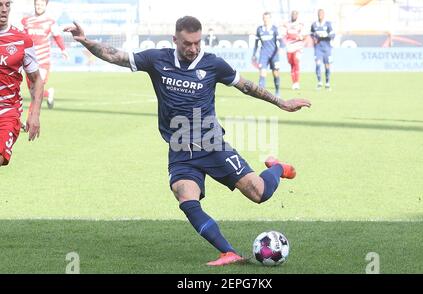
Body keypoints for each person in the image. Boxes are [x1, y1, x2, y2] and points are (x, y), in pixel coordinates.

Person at [64, 16, 311, 266]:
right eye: (187, 43)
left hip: (212, 145)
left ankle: (277, 167)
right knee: (185, 197)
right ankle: (229, 252)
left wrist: (281, 102)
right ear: (175, 40)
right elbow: (116, 55)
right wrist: (86, 42)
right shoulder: (156, 59)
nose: (193, 48)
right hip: (180, 149)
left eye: (197, 43)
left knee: (260, 194)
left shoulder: (213, 64)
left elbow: (246, 85)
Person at [0, 0, 44, 167]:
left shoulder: (22, 41)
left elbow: (36, 80)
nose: (4, 10)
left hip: (7, 111)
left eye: (7, 5)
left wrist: (34, 114)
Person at [21, 0, 68, 109]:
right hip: (28, 60)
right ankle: (49, 93)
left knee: (37, 90)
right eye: (37, 4)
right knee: (33, 92)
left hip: (42, 61)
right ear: (34, 5)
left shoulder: (50, 22)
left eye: (41, 4)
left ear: (46, 6)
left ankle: (30, 122)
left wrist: (63, 50)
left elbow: (57, 36)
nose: (39, 7)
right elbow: (21, 38)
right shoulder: (26, 21)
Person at [252, 12, 283, 98]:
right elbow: (256, 44)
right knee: (262, 72)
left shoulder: (274, 29)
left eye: (267, 18)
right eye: (264, 18)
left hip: (274, 54)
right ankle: (261, 93)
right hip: (264, 54)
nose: (265, 20)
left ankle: (277, 91)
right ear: (263, 19)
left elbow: (281, 41)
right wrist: (254, 54)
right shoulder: (259, 29)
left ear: (270, 19)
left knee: (275, 73)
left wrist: (282, 48)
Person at [310, 9, 335, 90]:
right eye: (319, 14)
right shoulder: (314, 24)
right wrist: (315, 37)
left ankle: (327, 83)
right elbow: (311, 34)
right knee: (317, 64)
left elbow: (333, 35)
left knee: (327, 66)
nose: (320, 15)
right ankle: (319, 82)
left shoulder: (328, 24)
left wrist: (325, 35)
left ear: (324, 15)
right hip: (318, 48)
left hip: (327, 48)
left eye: (321, 14)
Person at [283, 10, 304, 90]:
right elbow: (284, 35)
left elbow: (303, 36)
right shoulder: (287, 24)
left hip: (297, 47)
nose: (294, 16)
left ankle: (297, 82)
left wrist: (298, 37)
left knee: (296, 62)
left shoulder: (300, 25)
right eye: (293, 14)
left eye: (295, 14)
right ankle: (294, 82)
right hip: (289, 47)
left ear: (297, 15)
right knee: (291, 65)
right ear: (291, 15)